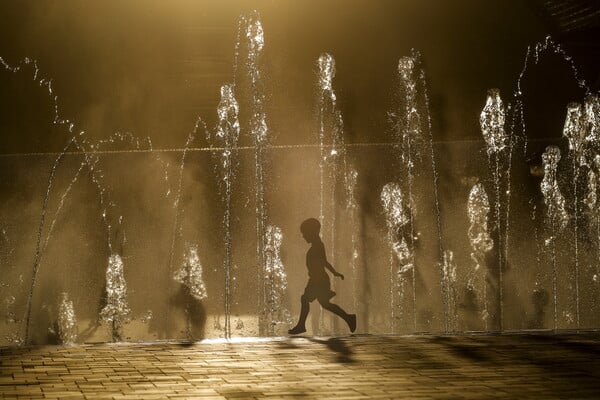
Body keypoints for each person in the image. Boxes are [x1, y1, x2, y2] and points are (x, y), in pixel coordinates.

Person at [288, 218, 356, 334]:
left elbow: (324, 262)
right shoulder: (317, 245)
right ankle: (349, 318)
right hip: (317, 279)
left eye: (305, 234)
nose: (303, 236)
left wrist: (334, 273)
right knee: (325, 304)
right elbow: (324, 262)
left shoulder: (318, 245)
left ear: (311, 232)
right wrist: (334, 273)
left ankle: (301, 326)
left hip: (318, 280)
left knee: (305, 299)